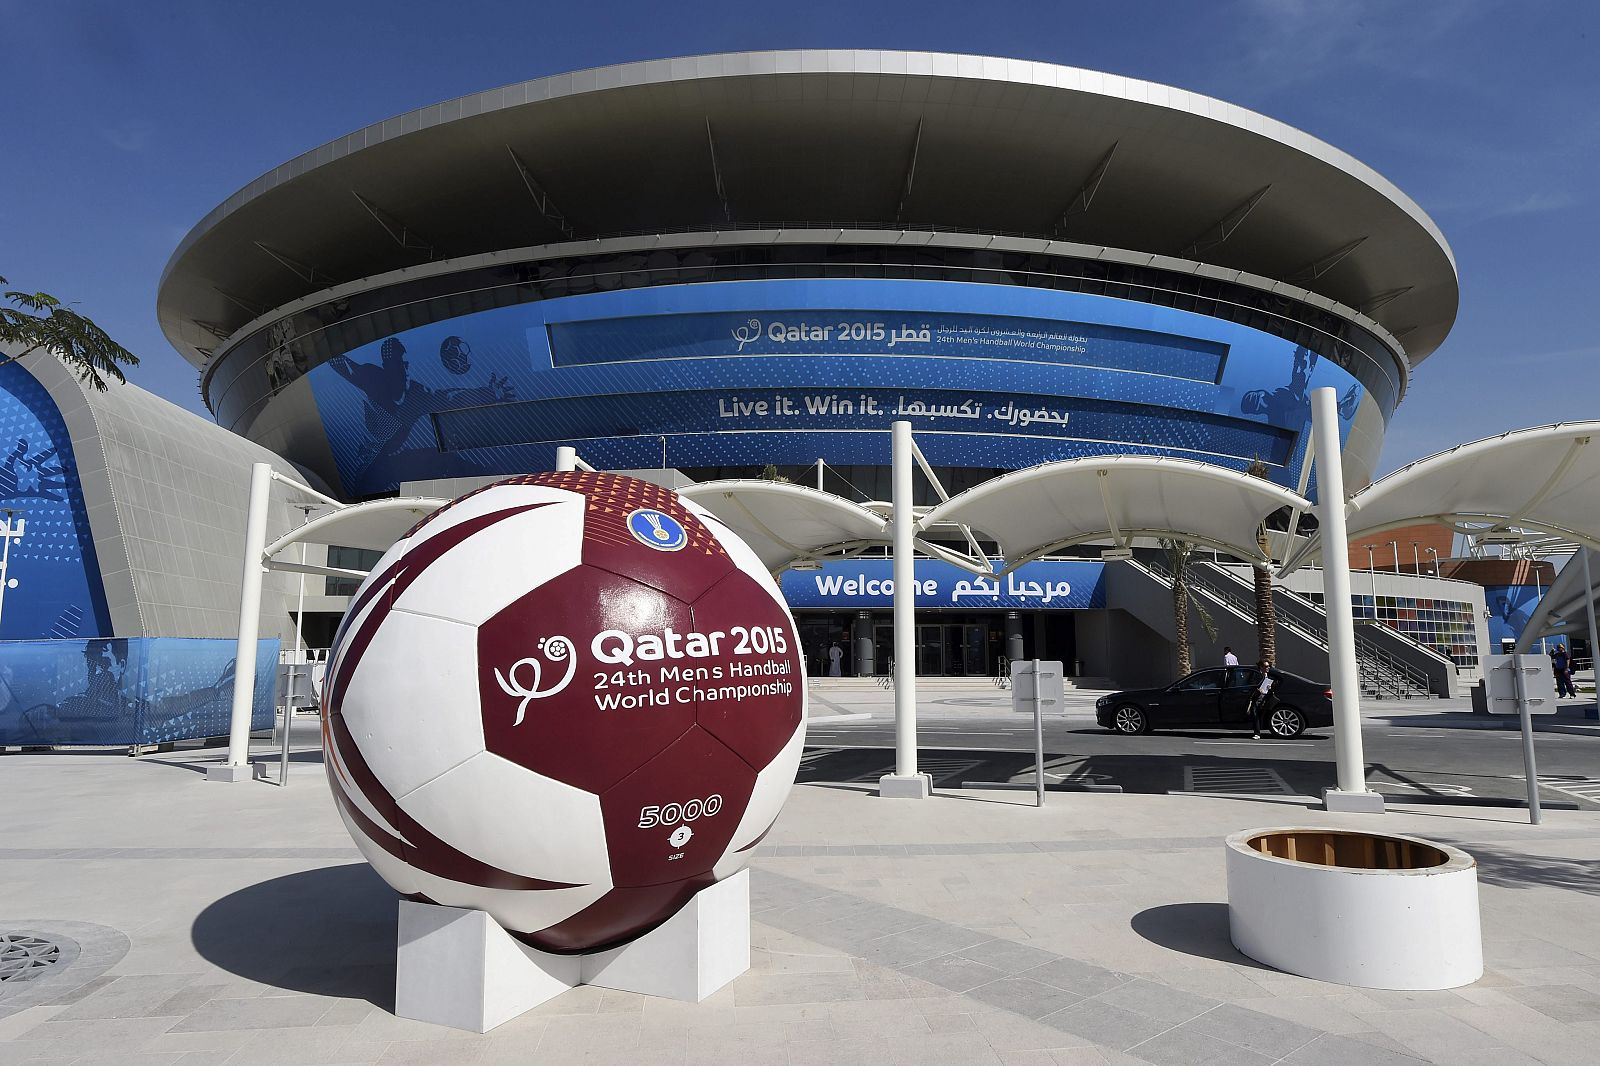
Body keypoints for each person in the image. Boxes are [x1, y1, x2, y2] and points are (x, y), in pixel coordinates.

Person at [1246, 659, 1276, 739]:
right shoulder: (1256, 675)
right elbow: (1250, 684)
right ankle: (1257, 733)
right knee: (1255, 716)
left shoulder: (1270, 676)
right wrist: (1257, 690)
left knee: (1261, 716)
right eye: (1266, 666)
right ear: (1261, 667)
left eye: (1268, 666)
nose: (1268, 668)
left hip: (1265, 698)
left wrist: (1270, 688)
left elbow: (1273, 687)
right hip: (1256, 698)